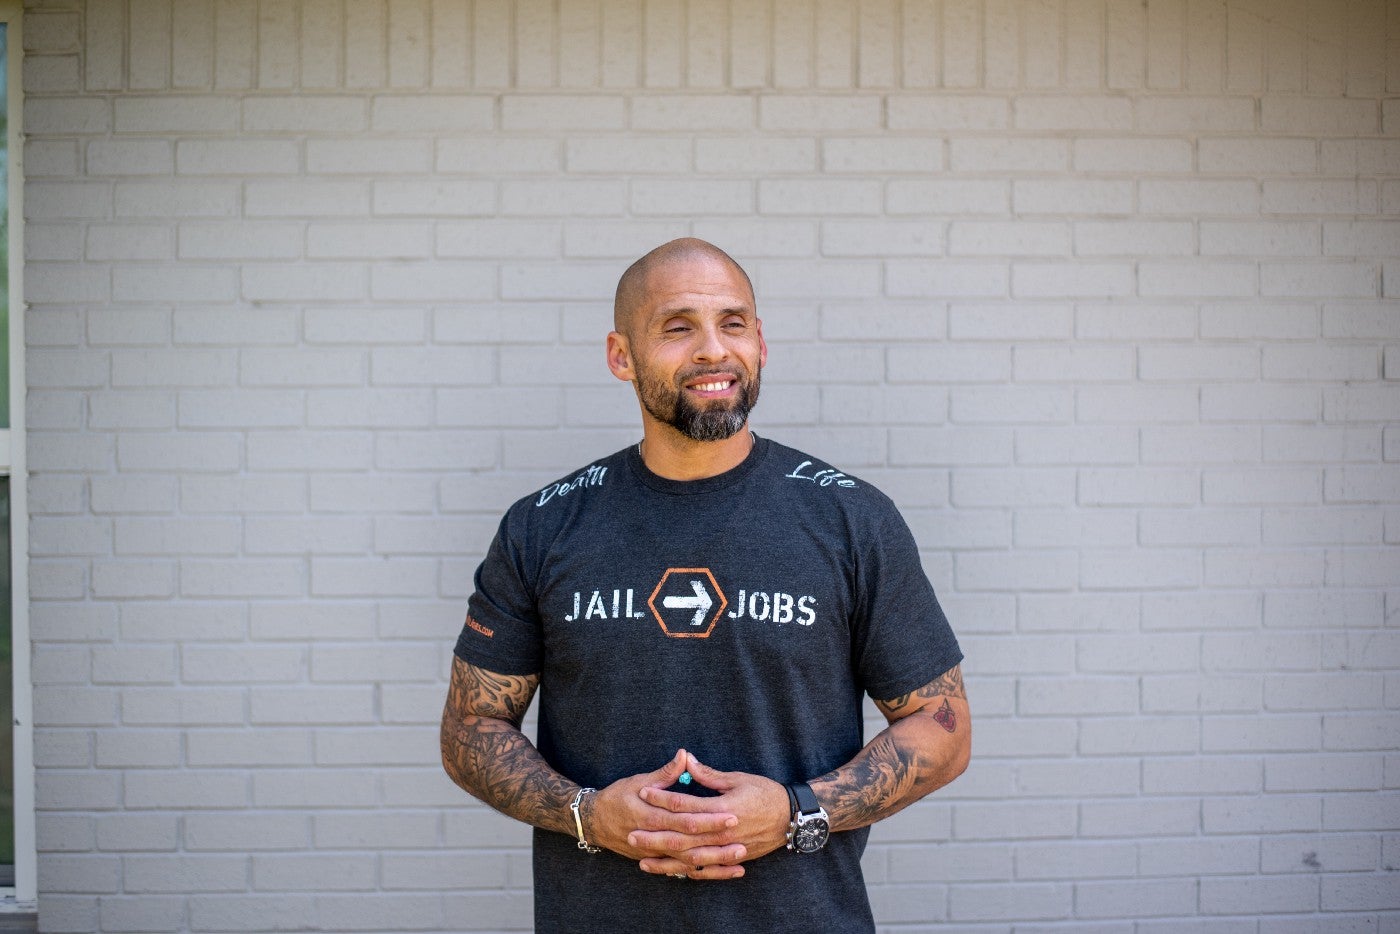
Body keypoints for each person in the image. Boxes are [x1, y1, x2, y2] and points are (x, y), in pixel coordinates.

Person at [440, 238, 969, 933]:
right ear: (620, 355)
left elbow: (942, 728)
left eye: (734, 322)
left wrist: (795, 812)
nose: (715, 349)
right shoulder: (544, 527)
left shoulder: (850, 519)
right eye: (678, 326)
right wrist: (589, 816)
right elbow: (470, 727)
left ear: (762, 343)